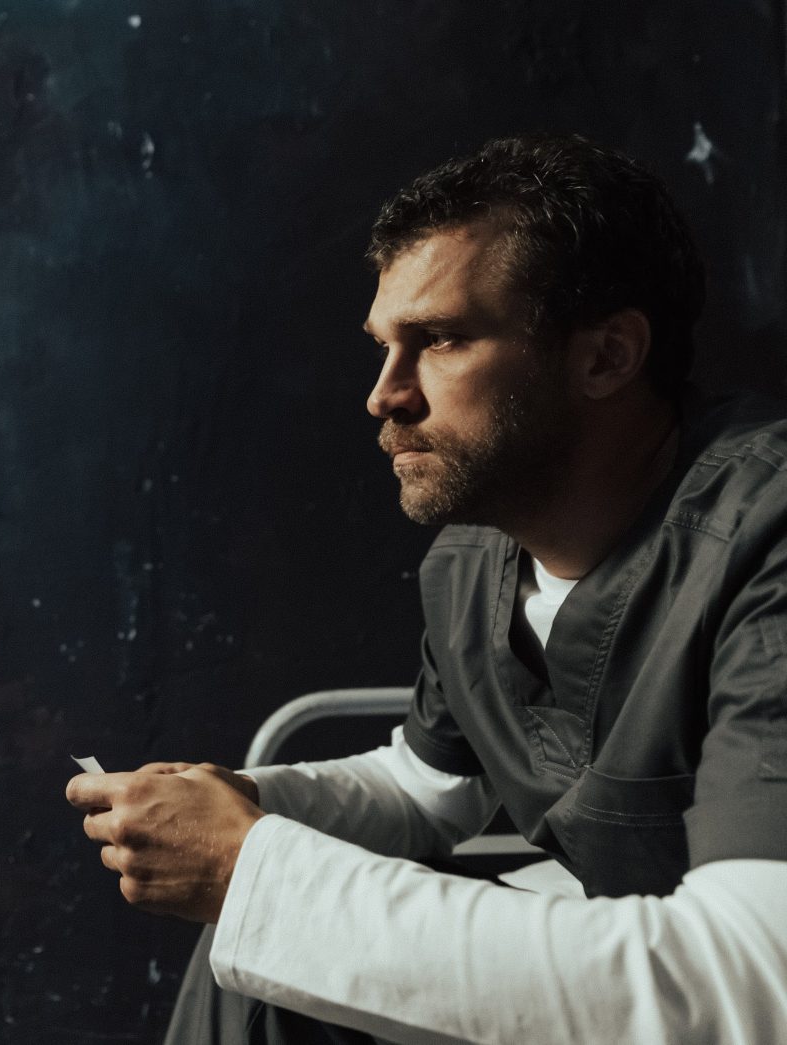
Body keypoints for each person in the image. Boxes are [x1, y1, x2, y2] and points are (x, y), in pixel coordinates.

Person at [66, 132, 787, 1044]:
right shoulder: (473, 558)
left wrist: (253, 866)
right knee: (256, 979)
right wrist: (248, 801)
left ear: (607, 356)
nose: (384, 394)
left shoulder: (767, 538)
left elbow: (755, 984)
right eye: (382, 347)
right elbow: (431, 785)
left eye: (440, 339)